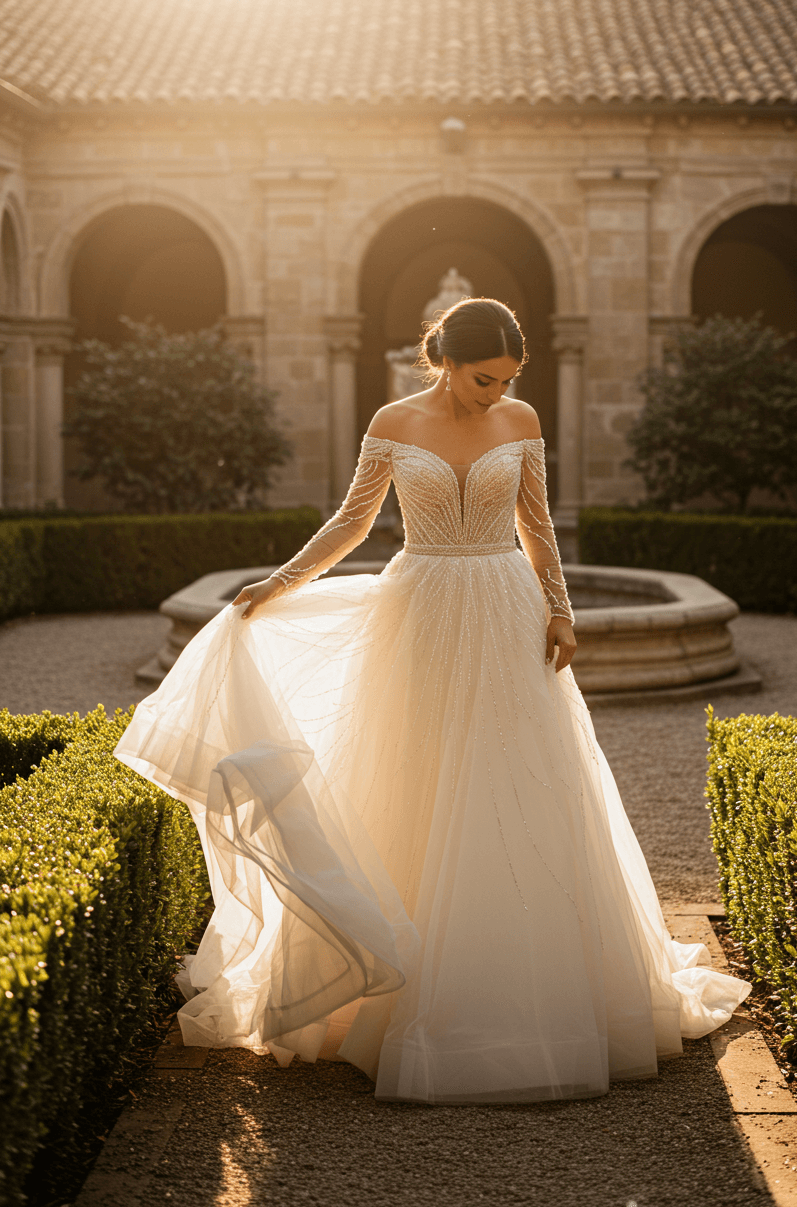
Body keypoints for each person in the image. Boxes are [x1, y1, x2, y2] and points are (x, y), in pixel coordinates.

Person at [115, 297, 750, 1105]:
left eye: (507, 381)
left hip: (505, 610)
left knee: (514, 783)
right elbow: (353, 521)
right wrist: (279, 583)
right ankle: (391, 990)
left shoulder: (519, 419)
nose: (494, 393)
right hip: (417, 610)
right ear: (446, 360)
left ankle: (533, 990)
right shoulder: (394, 418)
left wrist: (561, 608)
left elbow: (537, 521)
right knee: (411, 778)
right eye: (485, 379)